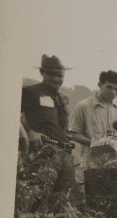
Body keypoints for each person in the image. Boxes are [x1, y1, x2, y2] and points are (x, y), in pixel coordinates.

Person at [68, 70, 117, 218]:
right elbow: (73, 133)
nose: (113, 92)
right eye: (109, 87)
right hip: (93, 164)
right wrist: (92, 142)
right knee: (96, 208)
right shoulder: (83, 107)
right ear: (99, 85)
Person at [18, 54, 76, 196]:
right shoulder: (29, 92)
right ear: (42, 73)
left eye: (60, 76)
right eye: (51, 74)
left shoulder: (63, 98)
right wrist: (30, 132)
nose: (56, 79)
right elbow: (11, 116)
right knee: (37, 196)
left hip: (65, 154)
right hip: (43, 152)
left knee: (62, 200)